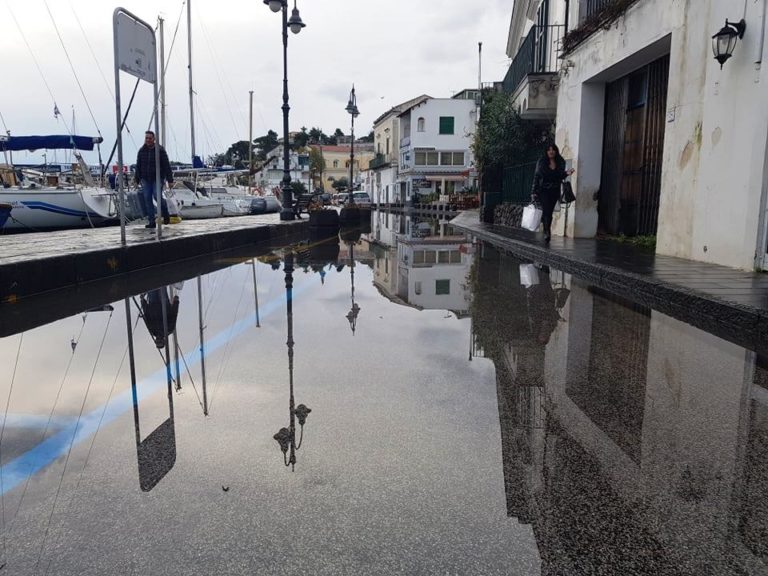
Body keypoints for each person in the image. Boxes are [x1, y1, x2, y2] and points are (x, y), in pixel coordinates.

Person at [531, 143, 574, 243]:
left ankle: (546, 228)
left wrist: (566, 173)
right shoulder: (541, 162)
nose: (551, 151)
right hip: (543, 190)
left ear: (556, 151)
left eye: (553, 149)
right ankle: (547, 232)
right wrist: (533, 192)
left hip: (555, 190)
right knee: (546, 210)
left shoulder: (560, 162)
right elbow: (536, 177)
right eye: (549, 150)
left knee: (549, 212)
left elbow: (559, 176)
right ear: (546, 152)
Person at [135, 130, 174, 229]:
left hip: (158, 178)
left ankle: (165, 213)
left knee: (157, 196)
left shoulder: (160, 150)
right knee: (147, 199)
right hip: (145, 178)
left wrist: (170, 180)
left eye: (150, 138)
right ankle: (151, 222)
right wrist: (136, 179)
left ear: (154, 139)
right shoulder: (141, 151)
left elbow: (166, 165)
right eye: (146, 138)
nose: (148, 140)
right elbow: (138, 165)